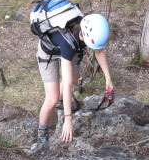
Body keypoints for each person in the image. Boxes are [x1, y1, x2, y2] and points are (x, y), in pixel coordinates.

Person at [36, 13, 113, 145]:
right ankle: (42, 134)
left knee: (74, 80)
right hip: (48, 54)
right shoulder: (67, 43)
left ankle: (62, 99)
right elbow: (66, 84)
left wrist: (108, 78)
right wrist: (68, 119)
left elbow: (99, 51)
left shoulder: (88, 26)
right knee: (51, 99)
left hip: (73, 50)